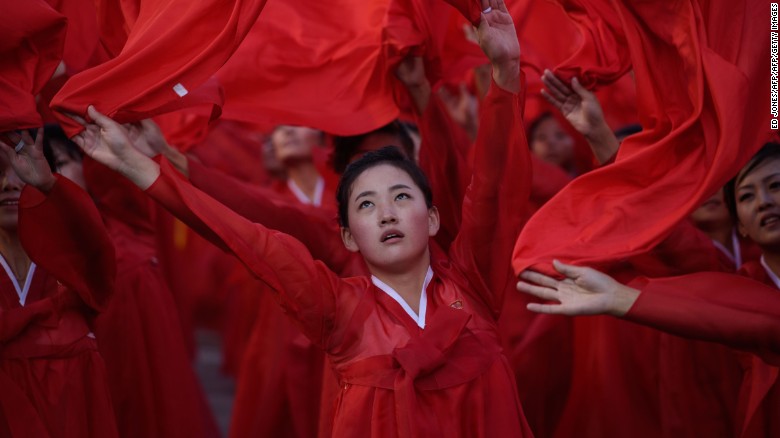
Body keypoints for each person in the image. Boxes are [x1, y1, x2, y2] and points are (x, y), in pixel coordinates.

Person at [70, 1, 534, 435]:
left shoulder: (472, 285)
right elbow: (248, 234)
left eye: (400, 196)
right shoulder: (340, 309)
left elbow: (492, 186)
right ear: (348, 237)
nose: (387, 212)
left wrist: (505, 69)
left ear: (433, 219)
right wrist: (143, 166)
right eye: (366, 204)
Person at [517, 143, 780, 437]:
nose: (764, 202)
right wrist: (622, 298)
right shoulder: (733, 281)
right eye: (747, 195)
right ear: (741, 223)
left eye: (776, 186)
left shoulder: (736, 282)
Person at [41, 125, 220, 438]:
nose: (54, 175)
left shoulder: (125, 221)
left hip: (148, 384)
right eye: (47, 166)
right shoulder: (42, 246)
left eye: (61, 163)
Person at [0, 129, 118, 438]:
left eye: (20, 171)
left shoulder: (70, 259)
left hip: (71, 406)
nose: (9, 183)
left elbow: (100, 259)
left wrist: (50, 187)